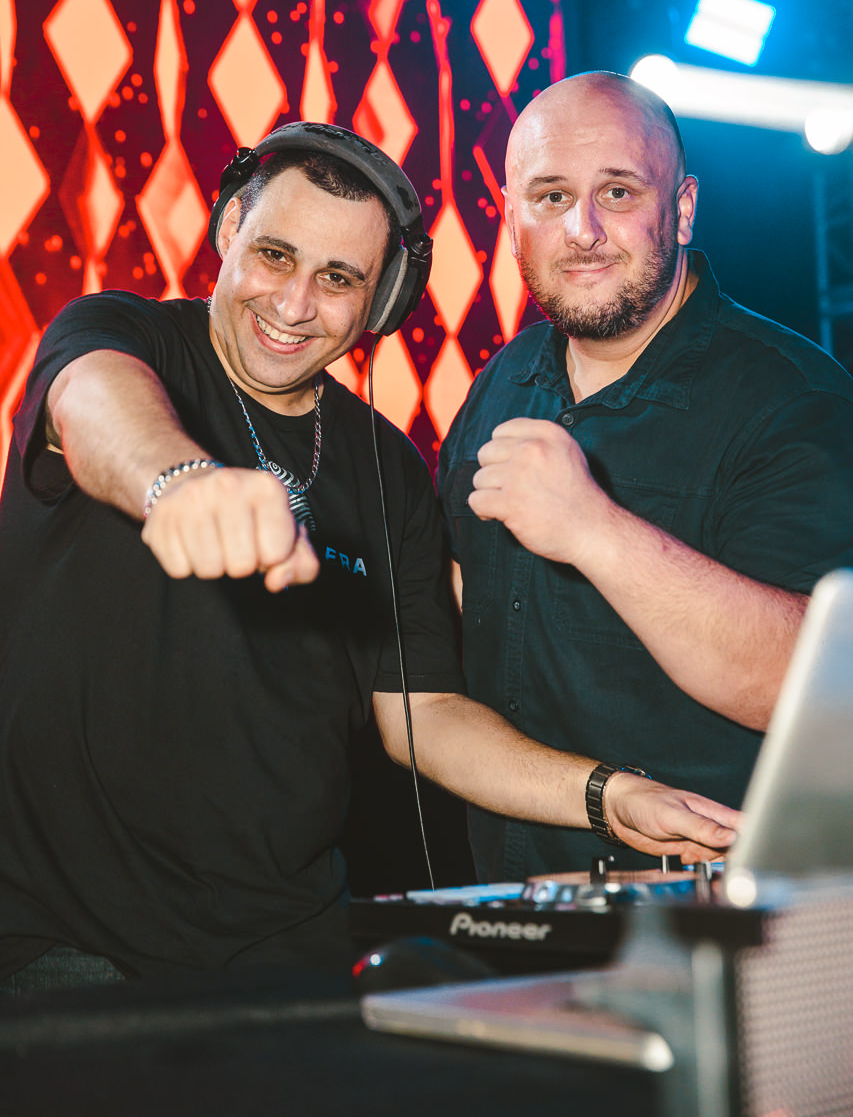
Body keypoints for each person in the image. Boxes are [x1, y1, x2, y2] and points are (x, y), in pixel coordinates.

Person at [0, 122, 738, 991]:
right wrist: (179, 481)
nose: (293, 305)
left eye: (338, 278)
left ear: (381, 300)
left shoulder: (387, 468)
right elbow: (93, 403)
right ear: (230, 229)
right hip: (70, 948)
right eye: (274, 255)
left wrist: (607, 795)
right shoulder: (127, 337)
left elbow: (424, 715)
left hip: (292, 942)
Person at [438, 72, 853, 881]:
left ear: (682, 208)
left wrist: (592, 528)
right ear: (511, 215)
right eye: (551, 197)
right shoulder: (502, 380)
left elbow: (817, 690)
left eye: (618, 192)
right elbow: (459, 604)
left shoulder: (794, 400)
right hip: (515, 893)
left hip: (718, 912)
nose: (582, 230)